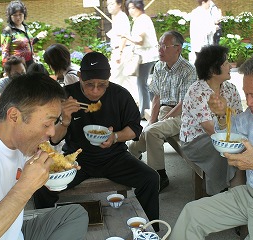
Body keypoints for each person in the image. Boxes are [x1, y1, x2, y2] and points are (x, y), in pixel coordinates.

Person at [33, 51, 160, 232]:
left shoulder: (120, 95)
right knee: (41, 186)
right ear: (79, 77)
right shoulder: (66, 97)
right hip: (76, 161)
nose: (95, 90)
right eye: (89, 84)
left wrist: (115, 137)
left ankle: (150, 232)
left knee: (150, 178)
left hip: (114, 157)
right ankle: (44, 231)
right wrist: (65, 119)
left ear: (109, 80)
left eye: (102, 85)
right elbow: (54, 138)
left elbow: (135, 128)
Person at [0, 72, 89, 240]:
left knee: (75, 214)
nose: (51, 132)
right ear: (14, 116)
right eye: (46, 123)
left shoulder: (19, 142)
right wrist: (25, 188)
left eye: (54, 123)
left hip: (15, 231)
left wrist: (53, 172)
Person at [171, 53, 253, 239]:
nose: (249, 103)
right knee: (192, 214)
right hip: (251, 194)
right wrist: (222, 115)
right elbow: (232, 130)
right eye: (246, 95)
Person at [128, 31, 197, 192]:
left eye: (164, 46)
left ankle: (159, 176)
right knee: (143, 136)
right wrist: (152, 121)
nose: (160, 49)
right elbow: (157, 97)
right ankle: (133, 160)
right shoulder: (159, 66)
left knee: (152, 132)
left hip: (184, 115)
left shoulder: (188, 70)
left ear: (178, 49)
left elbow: (184, 103)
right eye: (159, 45)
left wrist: (161, 121)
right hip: (166, 111)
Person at [179, 45, 244, 195]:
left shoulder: (230, 89)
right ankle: (221, 195)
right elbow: (210, 129)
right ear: (212, 70)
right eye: (225, 63)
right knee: (228, 151)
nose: (230, 66)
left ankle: (236, 196)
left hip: (225, 135)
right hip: (196, 141)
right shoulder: (197, 91)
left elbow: (240, 118)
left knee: (239, 149)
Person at [122, 0, 159, 119]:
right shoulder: (140, 19)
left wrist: (126, 36)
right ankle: (154, 108)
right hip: (146, 55)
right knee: (145, 84)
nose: (131, 11)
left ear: (139, 7)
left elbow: (140, 40)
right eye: (129, 8)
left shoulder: (142, 19)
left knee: (141, 83)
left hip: (146, 56)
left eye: (133, 8)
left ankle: (144, 111)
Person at [1, 0, 47, 68]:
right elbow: (5, 52)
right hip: (17, 65)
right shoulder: (8, 31)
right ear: (10, 16)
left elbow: (27, 44)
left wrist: (37, 38)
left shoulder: (25, 27)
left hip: (30, 62)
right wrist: (6, 69)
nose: (18, 17)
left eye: (20, 14)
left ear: (24, 14)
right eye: (15, 15)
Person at [106, 0, 131, 86]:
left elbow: (124, 36)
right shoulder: (116, 17)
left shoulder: (121, 17)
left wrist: (119, 53)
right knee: (125, 80)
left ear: (119, 4)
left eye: (112, 4)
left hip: (122, 50)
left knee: (113, 78)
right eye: (108, 4)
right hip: (119, 50)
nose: (110, 6)